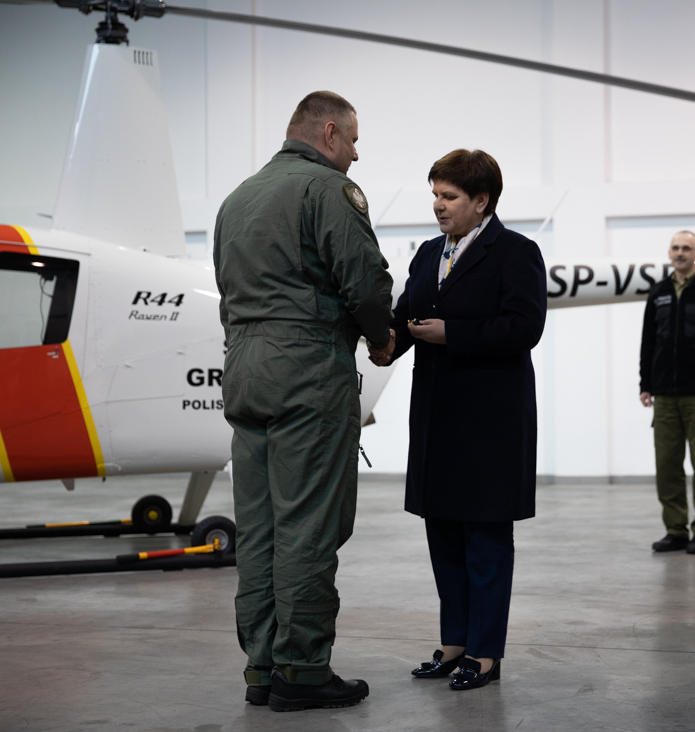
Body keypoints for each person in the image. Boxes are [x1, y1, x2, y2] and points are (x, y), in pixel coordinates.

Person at [214, 91, 394, 712]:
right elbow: (363, 278)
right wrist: (380, 337)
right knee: (309, 523)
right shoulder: (328, 190)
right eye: (353, 140)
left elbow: (228, 289)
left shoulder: (237, 199)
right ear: (328, 132)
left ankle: (262, 667)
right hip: (306, 371)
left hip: (244, 371)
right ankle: (304, 669)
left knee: (260, 526)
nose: (356, 154)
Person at [375, 149, 547, 691]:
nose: (438, 205)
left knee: (486, 542)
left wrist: (454, 334)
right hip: (436, 418)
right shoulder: (429, 253)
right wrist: (388, 344)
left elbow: (525, 327)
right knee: (444, 536)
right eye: (435, 194)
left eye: (449, 196)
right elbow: (408, 315)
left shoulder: (516, 252)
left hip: (490, 423)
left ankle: (485, 653)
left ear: (482, 200)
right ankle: (454, 643)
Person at [639, 231, 695, 554]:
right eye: (675, 248)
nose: (680, 253)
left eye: (686, 248)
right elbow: (648, 341)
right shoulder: (658, 292)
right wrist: (645, 384)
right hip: (664, 395)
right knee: (667, 466)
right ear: (669, 252)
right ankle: (675, 529)